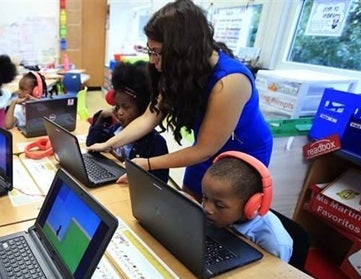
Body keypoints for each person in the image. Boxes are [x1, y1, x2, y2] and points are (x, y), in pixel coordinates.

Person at [87, 0, 273, 199]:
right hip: (202, 150)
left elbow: (203, 150)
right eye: (150, 51)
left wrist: (148, 163)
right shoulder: (181, 71)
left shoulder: (231, 82)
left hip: (240, 159)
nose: (152, 60)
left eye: (157, 52)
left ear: (182, 49)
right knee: (190, 210)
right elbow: (149, 117)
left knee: (220, 218)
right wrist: (110, 143)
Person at [85, 61, 169, 183]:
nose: (119, 112)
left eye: (126, 107)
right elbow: (91, 143)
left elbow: (160, 182)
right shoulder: (116, 129)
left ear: (142, 108)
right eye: (117, 106)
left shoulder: (155, 143)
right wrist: (102, 116)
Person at [201, 152, 293, 262]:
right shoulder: (220, 215)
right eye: (205, 198)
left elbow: (273, 275)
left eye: (219, 205)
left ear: (251, 205)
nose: (207, 209)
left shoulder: (274, 242)